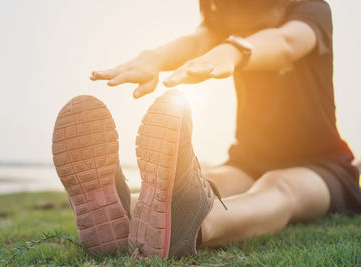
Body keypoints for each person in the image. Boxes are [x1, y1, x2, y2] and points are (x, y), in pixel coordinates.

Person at [52, 0, 361, 259]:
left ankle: (199, 225)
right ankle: (121, 211)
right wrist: (154, 59)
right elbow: (196, 41)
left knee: (280, 187)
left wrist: (234, 51)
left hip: (322, 165)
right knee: (207, 181)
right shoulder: (224, 20)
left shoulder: (312, 10)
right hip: (249, 159)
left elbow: (287, 43)